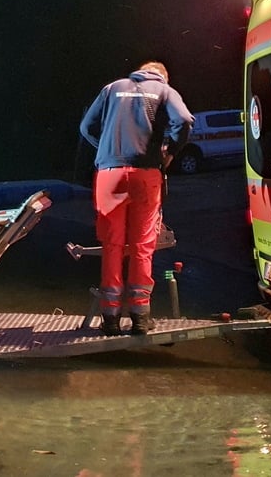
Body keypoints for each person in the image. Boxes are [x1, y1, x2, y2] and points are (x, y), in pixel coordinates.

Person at [79, 61, 194, 335]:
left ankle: (110, 319)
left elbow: (86, 127)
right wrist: (169, 152)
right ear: (161, 77)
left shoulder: (111, 88)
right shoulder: (164, 91)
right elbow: (185, 120)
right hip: (146, 174)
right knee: (143, 245)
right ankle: (140, 317)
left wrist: (107, 148)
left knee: (112, 244)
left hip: (109, 175)